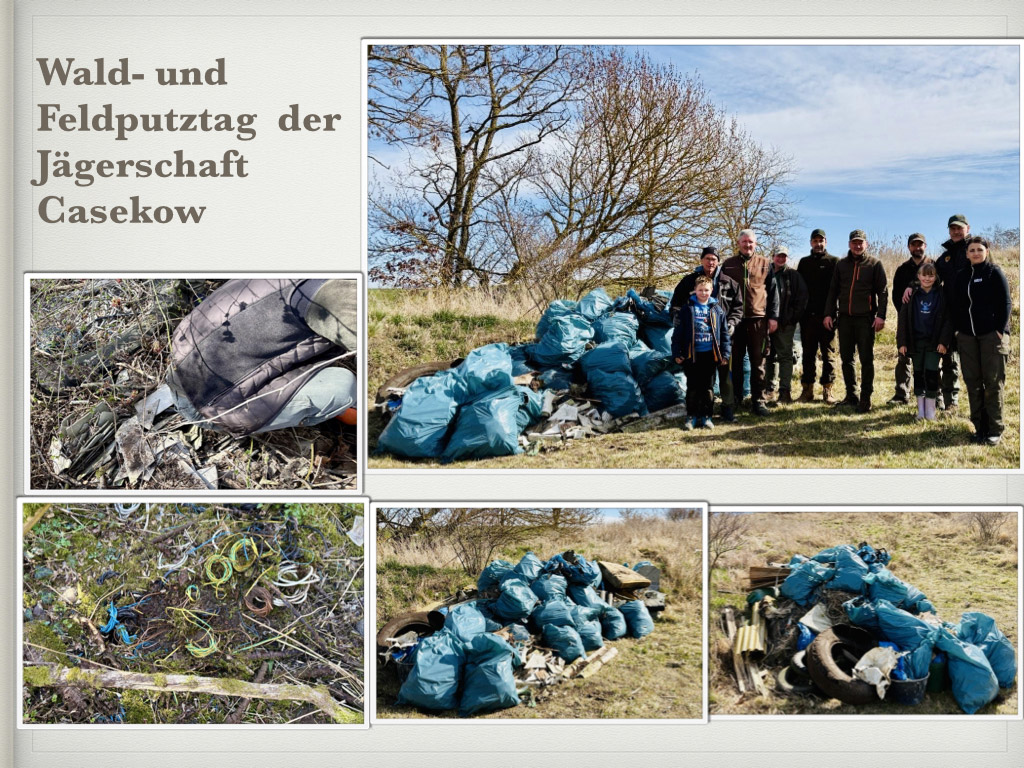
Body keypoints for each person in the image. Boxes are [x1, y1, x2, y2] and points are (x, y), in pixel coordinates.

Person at [167, 278, 358, 437]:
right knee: (343, 388)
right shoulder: (339, 297)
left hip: (181, 362)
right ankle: (332, 414)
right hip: (208, 406)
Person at [946, 236, 1011, 445]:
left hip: (992, 337)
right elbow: (955, 306)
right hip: (967, 338)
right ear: (966, 254)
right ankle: (979, 427)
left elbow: (1006, 303)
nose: (975, 253)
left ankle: (995, 429)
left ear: (986, 251)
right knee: (972, 383)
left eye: (979, 249)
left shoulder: (994, 272)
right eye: (972, 250)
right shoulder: (961, 275)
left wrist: (1000, 331)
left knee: (992, 383)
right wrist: (957, 332)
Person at [670, 246, 743, 422]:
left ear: (718, 262)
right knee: (698, 380)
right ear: (702, 260)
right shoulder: (689, 282)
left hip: (721, 338)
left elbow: (738, 308)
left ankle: (727, 408)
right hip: (697, 342)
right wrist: (678, 319)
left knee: (725, 374)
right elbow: (676, 304)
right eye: (707, 258)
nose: (711, 262)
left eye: (714, 259)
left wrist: (731, 323)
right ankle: (697, 412)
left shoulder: (728, 282)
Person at [823, 230, 888, 413]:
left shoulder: (874, 264)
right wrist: (829, 314)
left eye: (861, 243)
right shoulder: (841, 265)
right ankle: (851, 395)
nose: (857, 246)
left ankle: (866, 398)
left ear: (866, 244)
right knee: (846, 359)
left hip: (865, 319)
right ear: (849, 244)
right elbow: (833, 290)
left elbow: (882, 292)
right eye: (854, 243)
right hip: (844, 318)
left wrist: (880, 316)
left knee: (866, 359)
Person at [720, 229, 779, 416]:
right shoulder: (728, 265)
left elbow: (773, 292)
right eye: (744, 242)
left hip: (758, 321)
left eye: (751, 242)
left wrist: (773, 317)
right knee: (735, 362)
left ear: (755, 244)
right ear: (739, 243)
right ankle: (736, 398)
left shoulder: (765, 264)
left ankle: (758, 401)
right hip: (735, 321)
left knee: (758, 362)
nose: (747, 245)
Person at [672, 274, 731, 431]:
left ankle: (707, 416)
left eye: (706, 290)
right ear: (695, 291)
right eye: (700, 290)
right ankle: (691, 416)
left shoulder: (718, 310)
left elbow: (724, 334)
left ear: (711, 290)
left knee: (708, 388)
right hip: (692, 355)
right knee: (692, 387)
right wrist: (677, 352)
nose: (703, 293)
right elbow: (678, 333)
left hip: (710, 355)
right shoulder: (687, 310)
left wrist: (725, 354)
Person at [896, 262, 951, 420]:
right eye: (924, 275)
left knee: (932, 373)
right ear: (918, 277)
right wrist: (902, 343)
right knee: (918, 373)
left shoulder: (941, 294)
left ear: (936, 277)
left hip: (934, 342)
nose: (927, 278)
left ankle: (930, 411)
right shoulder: (911, 294)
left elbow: (948, 320)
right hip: (916, 342)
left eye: (931, 275)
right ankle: (920, 411)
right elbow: (903, 321)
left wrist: (944, 342)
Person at [796, 228, 840, 403]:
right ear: (810, 243)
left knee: (828, 355)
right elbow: (799, 290)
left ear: (826, 242)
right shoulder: (804, 263)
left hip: (827, 317)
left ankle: (827, 391)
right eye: (815, 241)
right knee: (808, 355)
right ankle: (807, 391)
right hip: (807, 318)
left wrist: (831, 314)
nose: (818, 244)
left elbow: (836, 291)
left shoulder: (834, 262)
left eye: (821, 241)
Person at [934, 214, 972, 409]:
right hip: (949, 315)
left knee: (971, 363)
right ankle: (949, 401)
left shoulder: (974, 249)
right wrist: (912, 286)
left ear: (968, 228)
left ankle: (973, 403)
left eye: (960, 228)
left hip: (971, 315)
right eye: (953, 228)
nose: (956, 232)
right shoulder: (945, 256)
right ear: (949, 231)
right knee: (948, 358)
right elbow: (930, 276)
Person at [888, 233, 931, 404]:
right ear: (909, 247)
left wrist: (912, 286)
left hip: (928, 320)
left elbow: (937, 288)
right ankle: (901, 393)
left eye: (920, 245)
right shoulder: (902, 269)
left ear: (925, 246)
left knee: (929, 358)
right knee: (903, 355)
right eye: (914, 245)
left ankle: (932, 395)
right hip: (906, 319)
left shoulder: (933, 265)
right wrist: (905, 314)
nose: (917, 248)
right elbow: (896, 295)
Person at [764, 245, 808, 405]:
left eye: (784, 256)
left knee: (785, 356)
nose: (781, 259)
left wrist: (791, 318)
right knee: (769, 355)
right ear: (773, 256)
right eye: (778, 256)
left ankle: (785, 393)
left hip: (785, 324)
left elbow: (802, 299)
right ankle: (769, 389)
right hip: (766, 322)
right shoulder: (765, 272)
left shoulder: (793, 276)